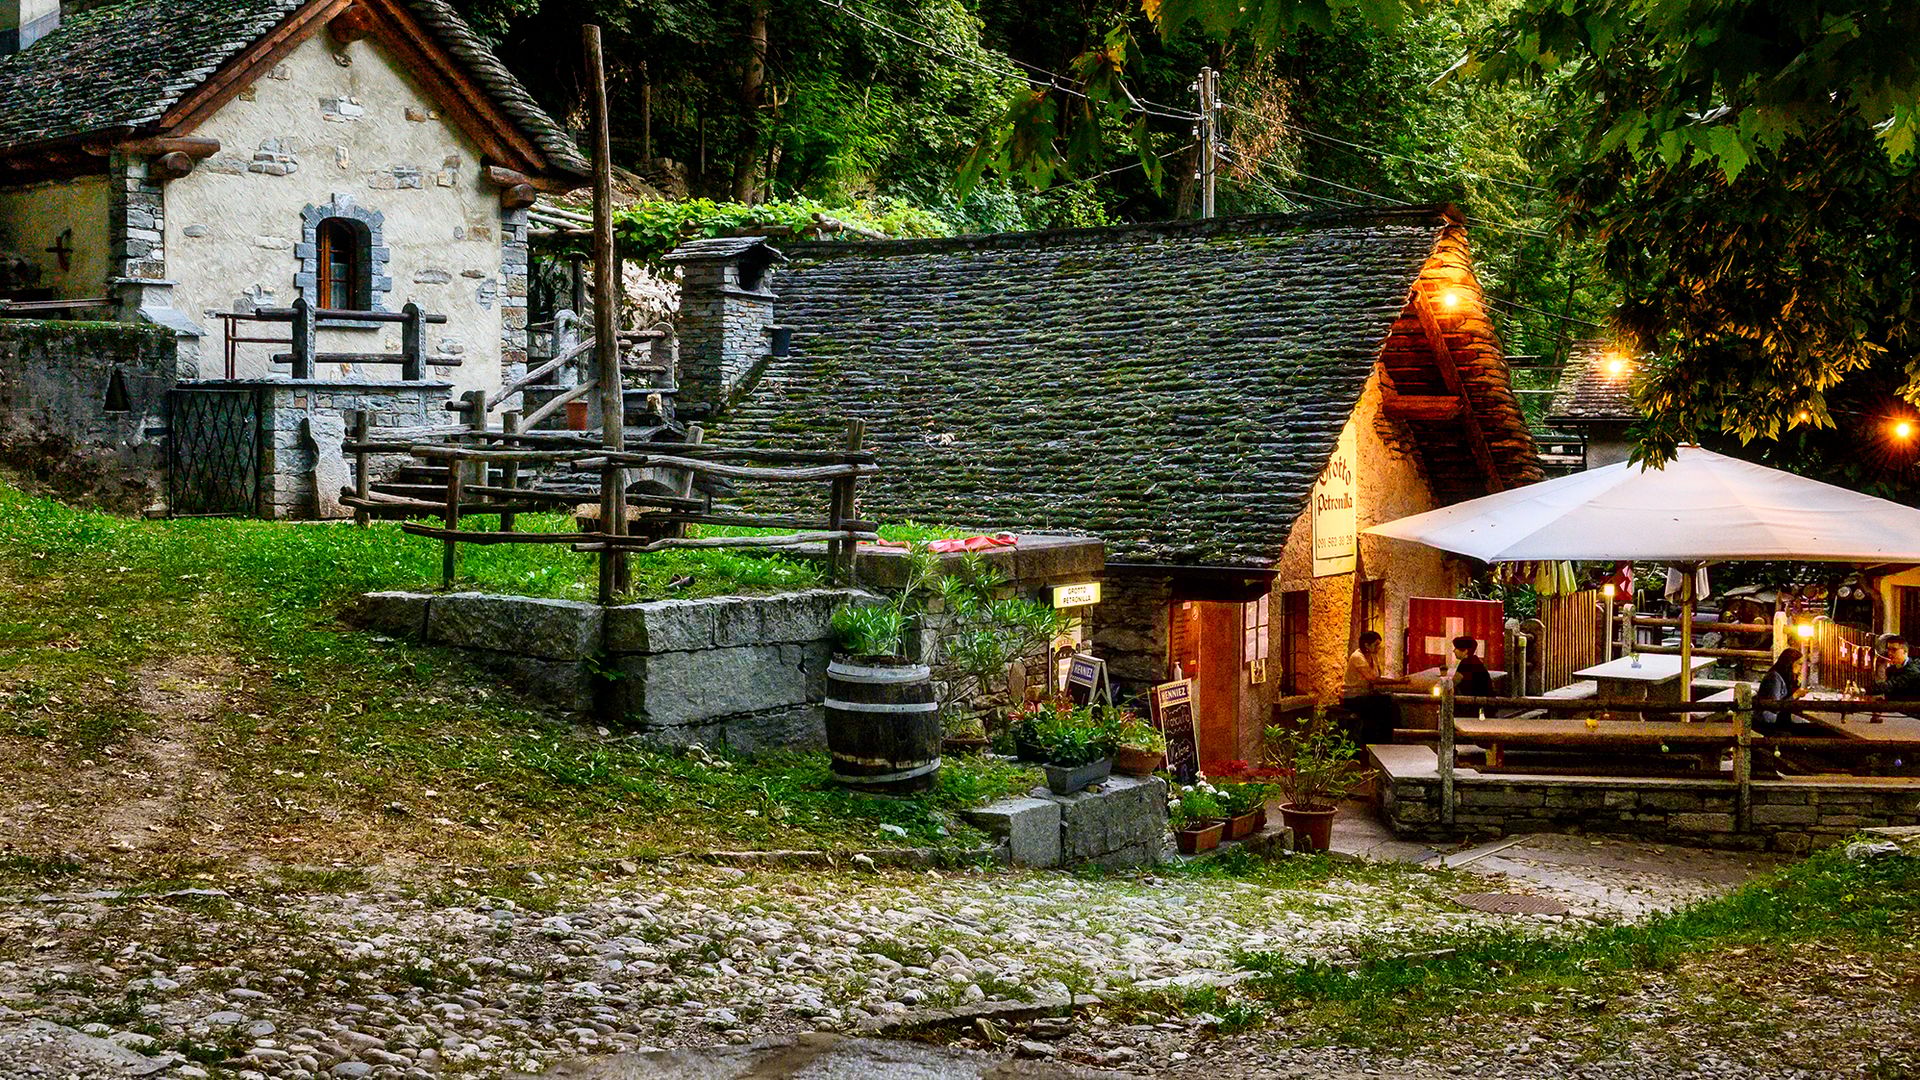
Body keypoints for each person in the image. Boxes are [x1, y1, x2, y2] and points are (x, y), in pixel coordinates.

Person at [1342, 631, 1406, 745]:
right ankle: (1372, 742)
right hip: (1353, 697)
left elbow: (1377, 676)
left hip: (1365, 695)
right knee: (1380, 706)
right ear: (1367, 645)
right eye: (1376, 645)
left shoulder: (1372, 656)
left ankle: (1390, 738)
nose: (1378, 648)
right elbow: (1373, 679)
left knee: (1390, 702)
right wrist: (1398, 681)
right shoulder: (1357, 657)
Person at [1754, 647, 1810, 734]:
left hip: (1779, 719)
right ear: (1790, 663)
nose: (1801, 668)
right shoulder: (1774, 678)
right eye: (1799, 664)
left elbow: (1788, 701)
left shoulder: (1786, 676)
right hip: (1768, 722)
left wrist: (1796, 684)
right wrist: (1795, 695)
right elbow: (1774, 707)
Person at [1872, 636, 1920, 700]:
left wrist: (1863, 690)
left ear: (1905, 651)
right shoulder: (1890, 670)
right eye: (1888, 649)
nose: (1890, 653)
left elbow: (1892, 685)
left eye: (1894, 650)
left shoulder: (1914, 669)